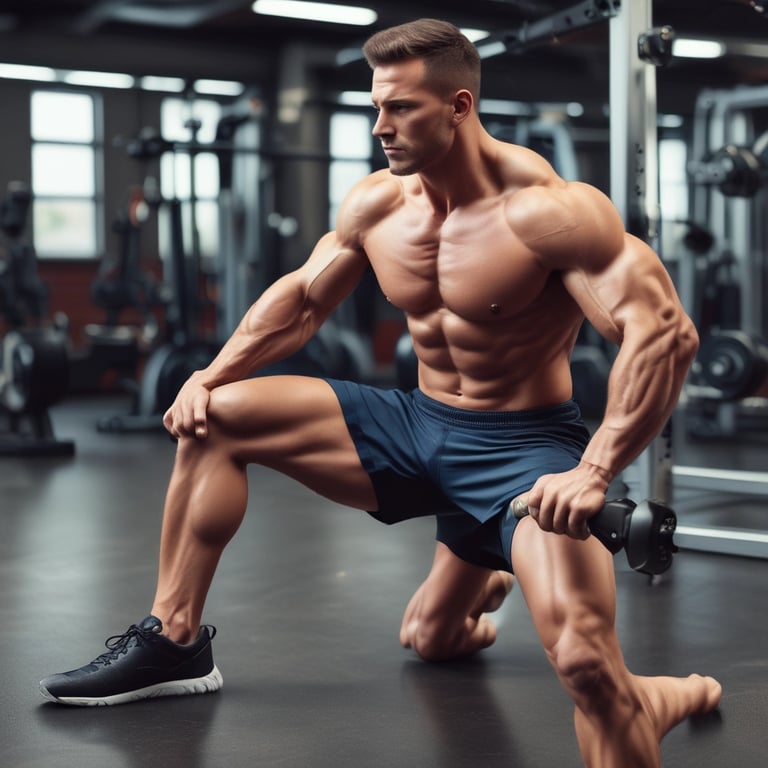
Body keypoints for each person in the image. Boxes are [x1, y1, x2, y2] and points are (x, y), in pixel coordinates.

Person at [40, 18, 721, 767]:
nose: (380, 128)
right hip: (417, 424)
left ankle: (658, 695)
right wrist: (209, 374)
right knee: (220, 418)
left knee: (585, 665)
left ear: (459, 107)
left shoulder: (548, 212)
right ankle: (174, 643)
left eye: (400, 109)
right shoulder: (379, 204)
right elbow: (302, 300)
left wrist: (592, 472)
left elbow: (664, 334)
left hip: (522, 456)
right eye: (376, 108)